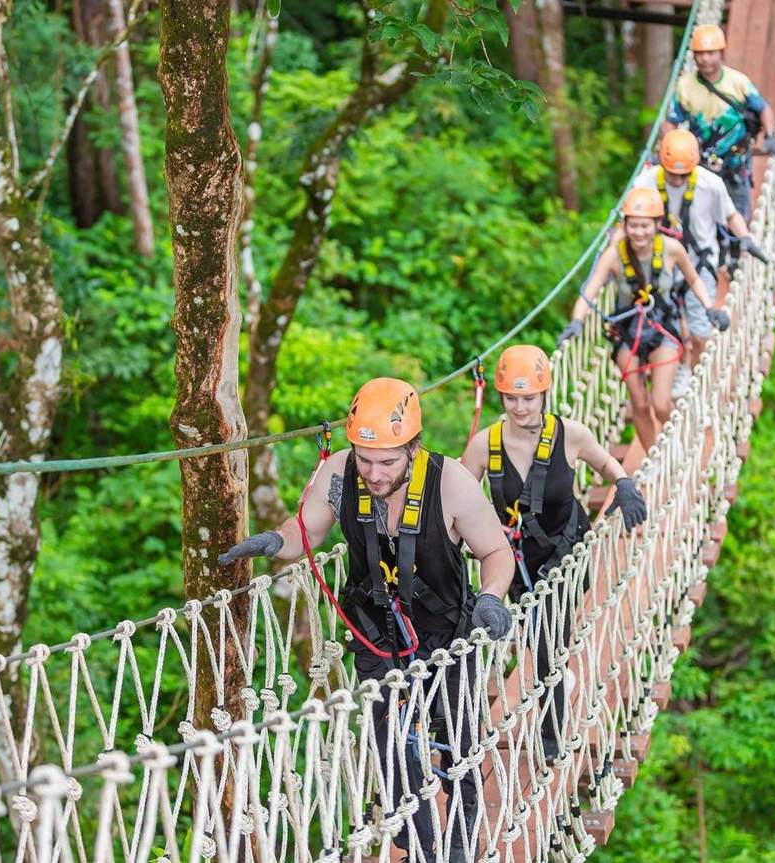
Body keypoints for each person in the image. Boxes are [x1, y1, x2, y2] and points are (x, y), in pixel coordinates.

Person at [218, 377, 514, 863]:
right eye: (365, 459)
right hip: (377, 632)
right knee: (388, 741)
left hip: (445, 631)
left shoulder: (452, 483)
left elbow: (496, 552)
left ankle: (462, 836)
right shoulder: (340, 472)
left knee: (459, 737)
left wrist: (491, 598)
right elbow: (305, 530)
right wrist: (274, 542)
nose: (374, 474)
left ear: (413, 449)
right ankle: (420, 844)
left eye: (387, 462)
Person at [461, 344, 647, 757]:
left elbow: (604, 462)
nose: (520, 407)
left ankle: (552, 732)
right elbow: (456, 497)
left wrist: (624, 484)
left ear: (544, 394)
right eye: (512, 398)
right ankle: (556, 680)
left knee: (546, 636)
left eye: (529, 398)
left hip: (568, 553)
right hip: (516, 559)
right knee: (536, 637)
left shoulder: (571, 435)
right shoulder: (485, 445)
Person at [558, 187, 729, 451]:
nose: (639, 232)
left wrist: (710, 308)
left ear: (657, 225)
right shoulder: (614, 255)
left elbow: (694, 279)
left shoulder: (671, 249)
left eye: (645, 226)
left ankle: (678, 449)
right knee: (638, 402)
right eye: (634, 225)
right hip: (628, 332)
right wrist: (576, 321)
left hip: (663, 329)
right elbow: (589, 292)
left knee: (661, 403)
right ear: (625, 226)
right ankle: (654, 456)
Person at [635, 128, 768, 381]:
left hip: (699, 265)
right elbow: (627, 222)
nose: (677, 181)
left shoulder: (711, 184)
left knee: (701, 332)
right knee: (657, 330)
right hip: (659, 267)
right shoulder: (645, 183)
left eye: (683, 175)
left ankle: (695, 379)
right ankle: (674, 373)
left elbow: (730, 215)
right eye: (672, 174)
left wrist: (746, 238)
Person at [661, 23, 775, 220]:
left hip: (736, 161)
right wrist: (669, 147)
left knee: (737, 214)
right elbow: (671, 121)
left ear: (721, 53)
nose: (705, 59)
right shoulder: (685, 86)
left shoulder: (738, 82)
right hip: (701, 162)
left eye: (710, 53)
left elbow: (763, 108)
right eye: (700, 53)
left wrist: (770, 136)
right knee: (702, 216)